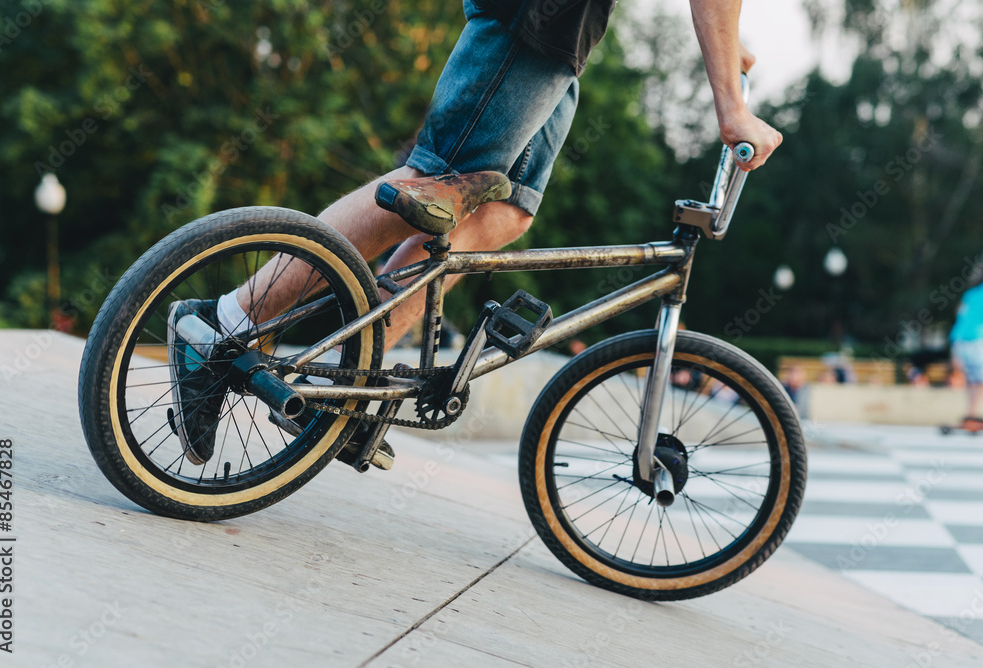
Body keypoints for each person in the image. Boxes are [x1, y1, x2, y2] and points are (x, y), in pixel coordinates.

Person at [167, 0, 784, 465]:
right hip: (539, 16)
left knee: (500, 212)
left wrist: (730, 51)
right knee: (434, 177)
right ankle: (221, 324)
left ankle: (349, 384)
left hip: (562, 34)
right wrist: (730, 102)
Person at [949, 263, 983, 431]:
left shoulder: (970, 294)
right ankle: (972, 416)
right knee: (979, 379)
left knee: (972, 380)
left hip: (959, 339)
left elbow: (959, 315)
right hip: (977, 339)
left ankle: (971, 413)